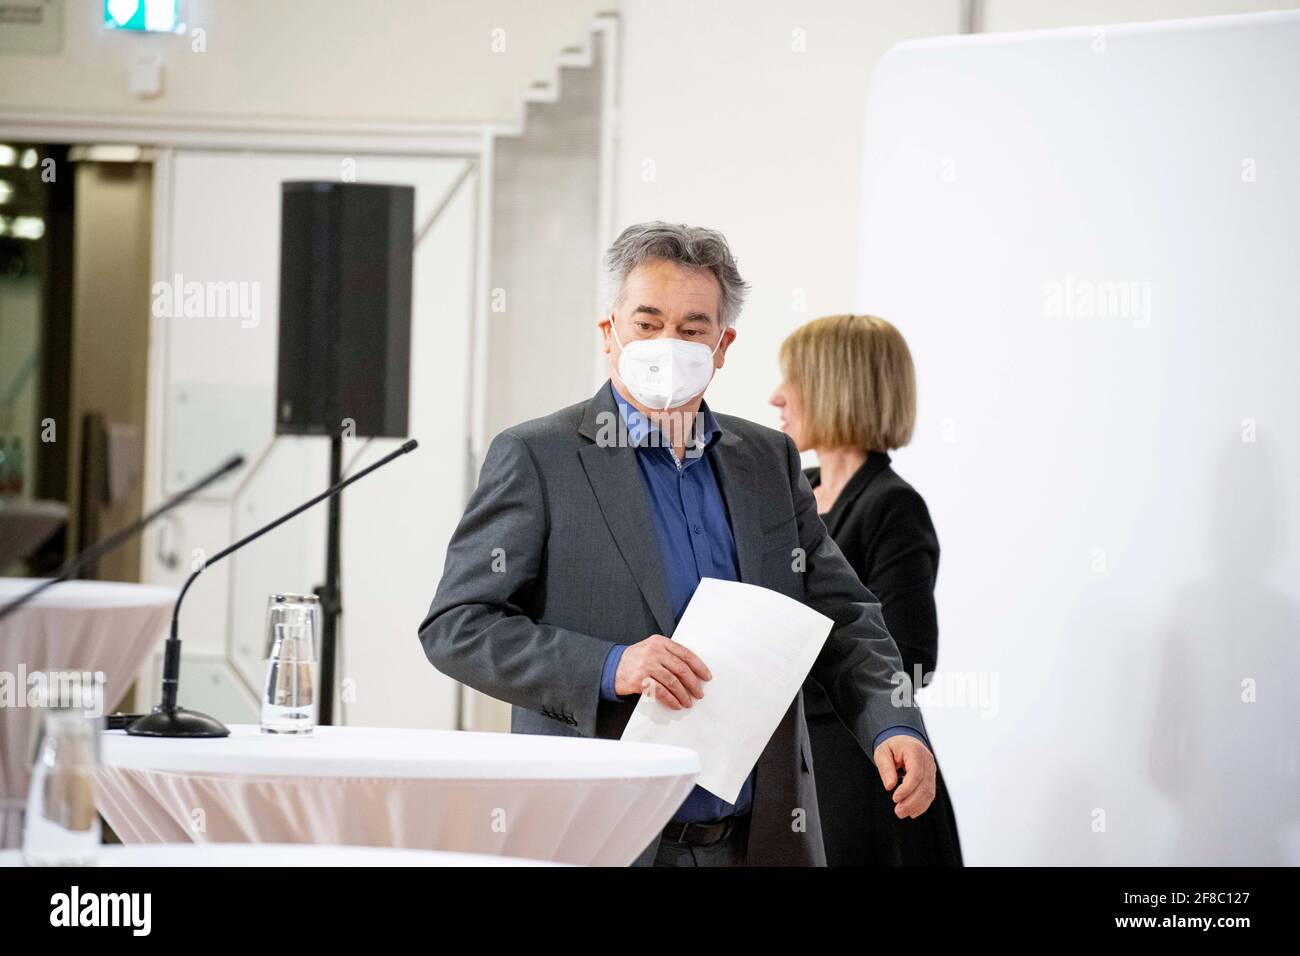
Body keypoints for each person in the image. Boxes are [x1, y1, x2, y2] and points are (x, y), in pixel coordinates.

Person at [419, 223, 936, 867]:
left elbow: (842, 612)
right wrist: (611, 666)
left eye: (693, 329)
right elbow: (457, 626)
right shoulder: (538, 456)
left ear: (722, 346)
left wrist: (893, 722)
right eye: (648, 322)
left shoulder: (767, 461)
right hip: (598, 836)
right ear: (609, 332)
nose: (669, 343)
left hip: (756, 839)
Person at [770, 313, 963, 866]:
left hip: (859, 780)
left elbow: (911, 657)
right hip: (793, 768)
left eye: (794, 380)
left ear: (836, 388)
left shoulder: (891, 505)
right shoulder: (797, 493)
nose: (777, 396)